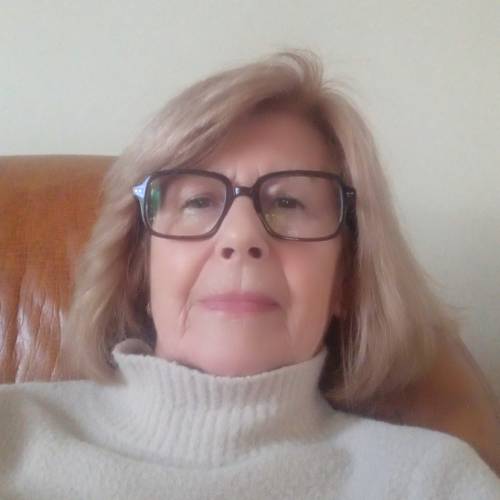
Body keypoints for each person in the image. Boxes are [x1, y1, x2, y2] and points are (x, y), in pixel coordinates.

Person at [0, 51, 499, 499]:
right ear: (138, 268)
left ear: (346, 279)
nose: (241, 237)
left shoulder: (431, 480)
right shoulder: (13, 432)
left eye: (290, 202)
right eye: (198, 201)